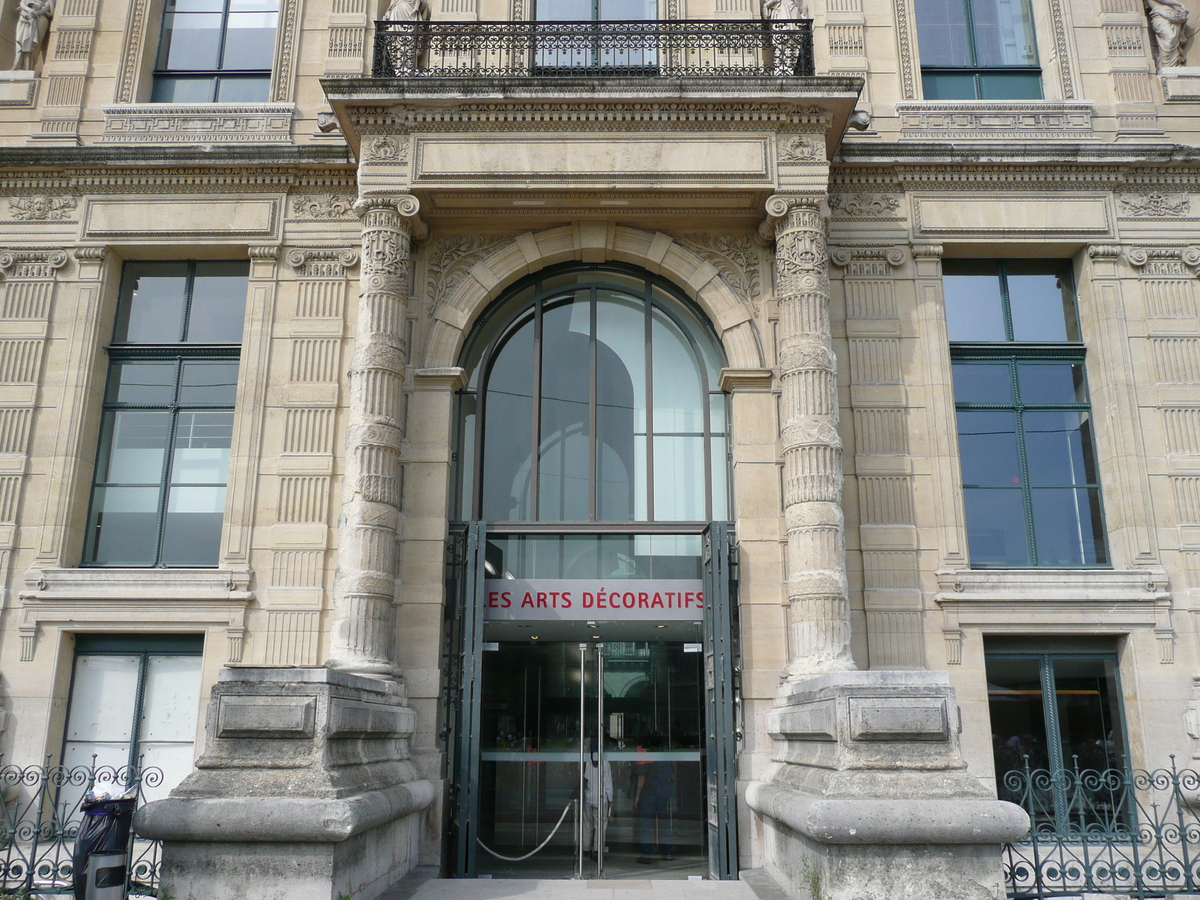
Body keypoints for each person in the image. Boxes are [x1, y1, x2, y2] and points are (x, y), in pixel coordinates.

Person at [633, 734, 675, 864]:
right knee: (664, 825)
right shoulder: (665, 755)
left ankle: (646, 854)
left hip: (648, 793)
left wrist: (637, 796)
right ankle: (667, 852)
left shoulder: (647, 755)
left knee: (646, 825)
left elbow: (642, 777)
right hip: (662, 794)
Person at [582, 737, 613, 862]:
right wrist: (611, 800)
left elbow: (583, 778)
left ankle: (585, 849)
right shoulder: (605, 763)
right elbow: (608, 784)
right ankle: (597, 851)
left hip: (588, 797)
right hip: (601, 799)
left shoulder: (586, 762)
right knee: (600, 826)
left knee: (587, 825)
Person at [1146, 0, 1191, 69]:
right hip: (1160, 15)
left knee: (1173, 39)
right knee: (1170, 37)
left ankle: (1173, 64)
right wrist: (1179, 4)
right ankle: (1167, 64)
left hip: (1171, 15)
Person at [12, 0, 53, 71]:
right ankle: (18, 64)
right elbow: (22, 3)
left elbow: (47, 7)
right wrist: (29, 10)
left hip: (39, 20)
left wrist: (35, 13)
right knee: (20, 44)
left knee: (33, 46)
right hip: (24, 19)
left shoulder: (48, 1)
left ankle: (29, 67)